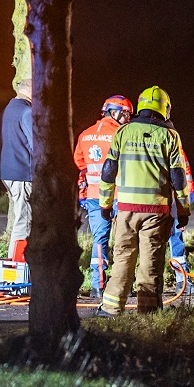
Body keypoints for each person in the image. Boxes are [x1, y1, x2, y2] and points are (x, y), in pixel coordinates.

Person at [97, 85, 191, 317]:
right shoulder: (170, 136)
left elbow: (108, 171)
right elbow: (178, 178)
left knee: (122, 259)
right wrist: (183, 208)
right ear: (165, 108)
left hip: (126, 211)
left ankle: (110, 308)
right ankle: (148, 312)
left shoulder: (123, 132)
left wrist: (105, 204)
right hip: (156, 212)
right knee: (150, 263)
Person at [73, 95, 133, 297]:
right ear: (115, 113)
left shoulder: (85, 135)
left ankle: (97, 286)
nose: (127, 119)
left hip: (93, 196)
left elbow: (79, 164)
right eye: (125, 115)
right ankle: (122, 286)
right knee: (124, 240)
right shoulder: (121, 134)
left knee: (99, 240)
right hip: (120, 194)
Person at [0, 78, 33, 262]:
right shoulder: (27, 112)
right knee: (24, 220)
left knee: (21, 216)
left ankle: (18, 261)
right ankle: (16, 267)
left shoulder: (7, 110)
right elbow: (37, 146)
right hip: (22, 173)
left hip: (8, 171)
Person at [169, 147, 194, 295]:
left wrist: (189, 193)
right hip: (148, 202)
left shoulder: (171, 139)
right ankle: (135, 284)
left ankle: (182, 280)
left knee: (176, 238)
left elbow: (184, 170)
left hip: (171, 200)